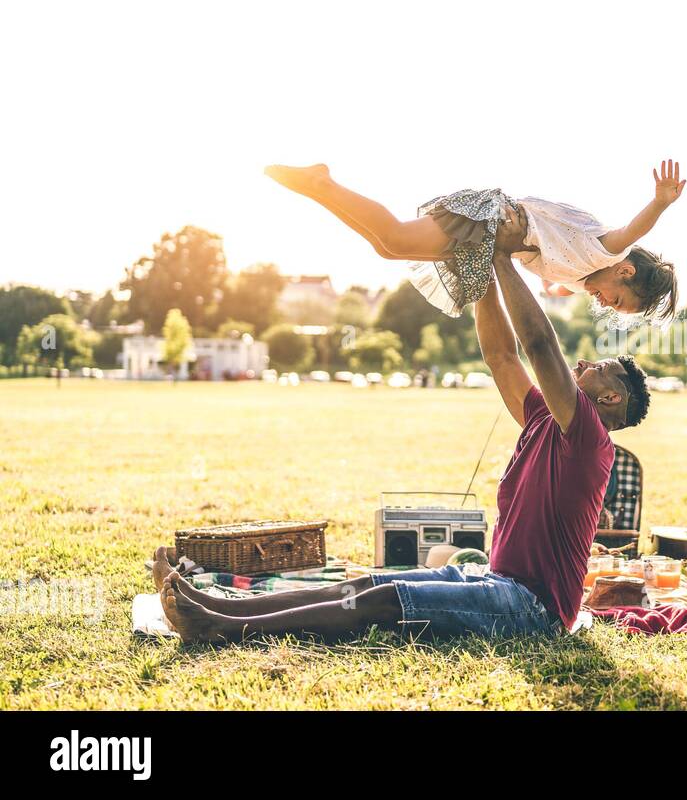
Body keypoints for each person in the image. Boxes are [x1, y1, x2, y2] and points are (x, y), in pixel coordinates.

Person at [156, 249, 653, 643]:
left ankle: (222, 630)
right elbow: (503, 357)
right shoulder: (549, 416)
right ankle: (222, 608)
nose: (585, 363)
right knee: (369, 584)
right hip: (497, 580)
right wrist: (479, 271)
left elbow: (540, 346)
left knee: (385, 601)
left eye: (598, 368)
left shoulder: (590, 437)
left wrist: (502, 258)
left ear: (609, 398)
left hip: (531, 609)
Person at [263, 160, 683, 320]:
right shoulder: (604, 248)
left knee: (388, 247)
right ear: (625, 270)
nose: (605, 304)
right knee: (394, 238)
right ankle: (322, 182)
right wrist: (660, 203)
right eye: (617, 300)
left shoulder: (581, 276)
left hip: (490, 235)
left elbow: (556, 281)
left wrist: (553, 284)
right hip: (488, 220)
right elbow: (634, 230)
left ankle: (319, 188)